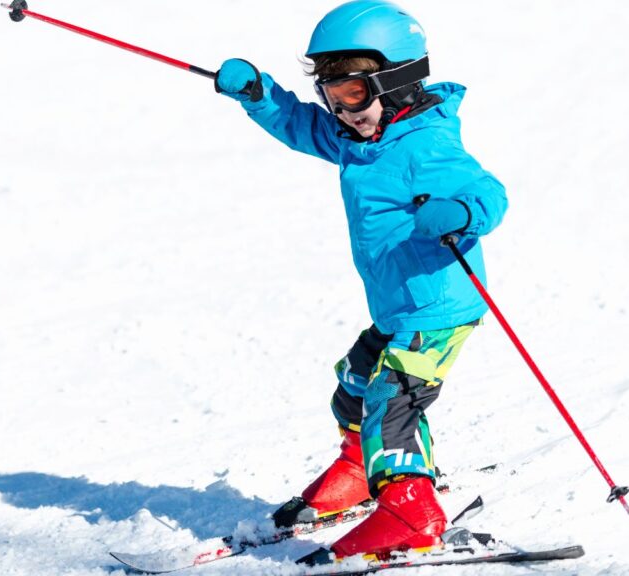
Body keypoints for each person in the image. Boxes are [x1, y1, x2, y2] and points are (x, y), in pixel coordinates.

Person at [213, 0, 508, 558]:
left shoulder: (426, 145)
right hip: (397, 307)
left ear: (396, 81)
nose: (342, 111)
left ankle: (411, 515)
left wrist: (461, 213)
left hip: (438, 310)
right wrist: (259, 95)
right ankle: (357, 472)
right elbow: (301, 126)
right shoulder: (360, 140)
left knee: (390, 400)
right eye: (332, 96)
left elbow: (488, 193)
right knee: (353, 387)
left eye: (352, 93)